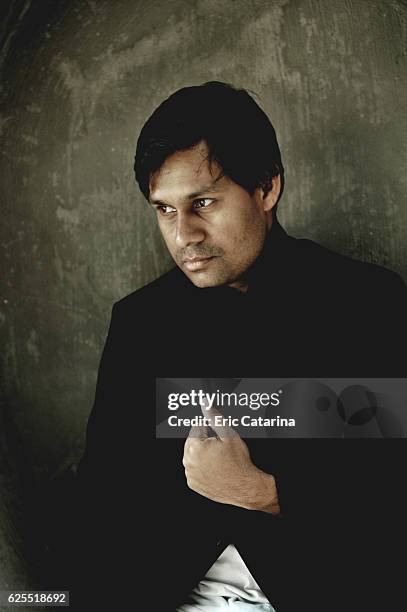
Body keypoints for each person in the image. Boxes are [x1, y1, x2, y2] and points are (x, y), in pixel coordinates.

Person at [72, 82, 407, 611]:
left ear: (267, 187)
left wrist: (264, 491)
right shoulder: (141, 323)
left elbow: (389, 494)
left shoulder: (370, 305)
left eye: (202, 202)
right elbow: (102, 506)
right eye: (164, 210)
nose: (184, 234)